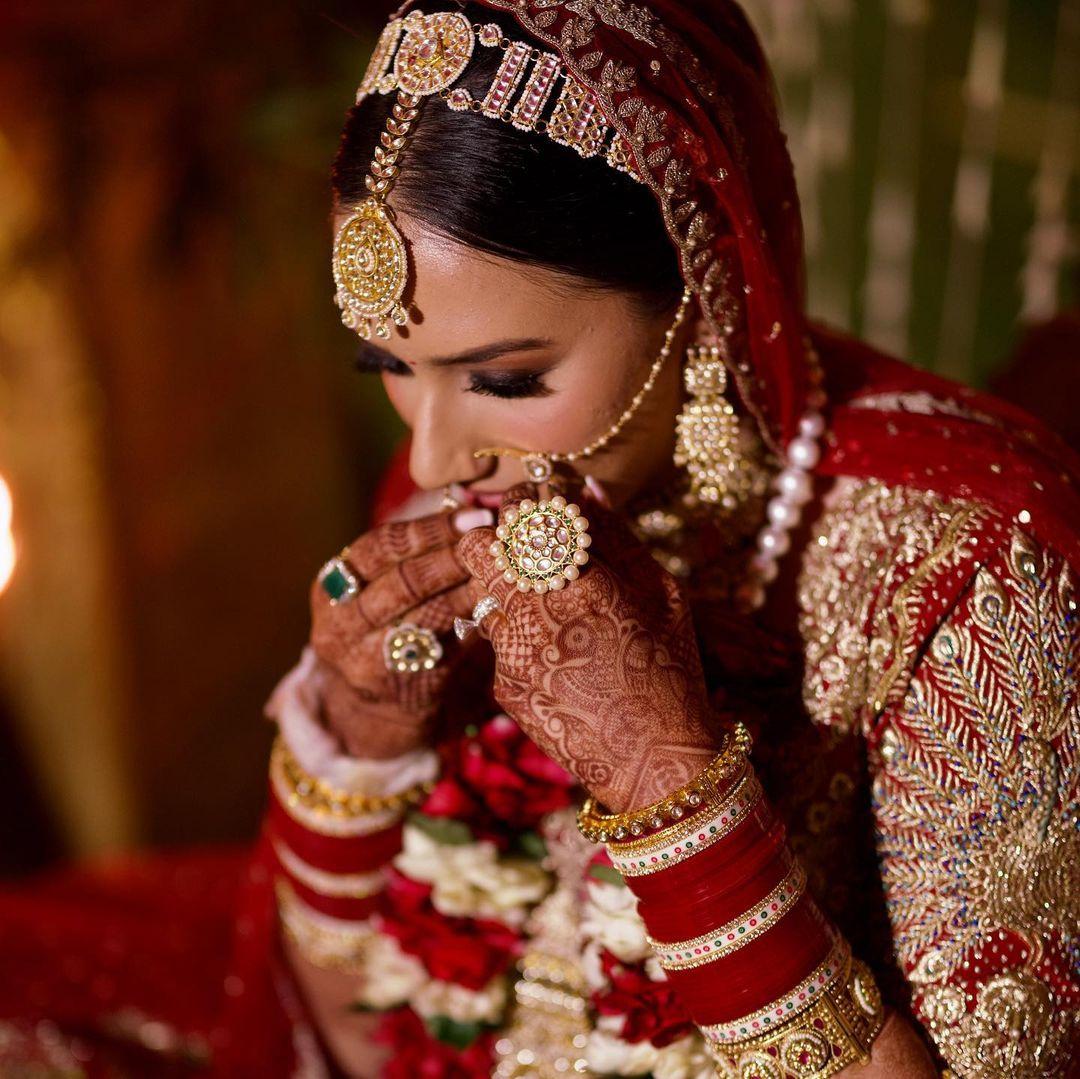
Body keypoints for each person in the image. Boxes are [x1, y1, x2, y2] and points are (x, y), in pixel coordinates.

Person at [1, 2, 1077, 1077]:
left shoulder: (967, 561)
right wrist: (358, 753)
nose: (430, 463)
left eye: (508, 380)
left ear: (701, 291)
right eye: (389, 370)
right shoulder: (477, 490)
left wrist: (670, 787)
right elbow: (357, 1029)